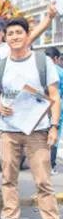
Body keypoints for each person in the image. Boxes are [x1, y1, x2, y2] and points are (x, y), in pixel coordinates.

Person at [0, 17, 63, 219]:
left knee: (43, 181)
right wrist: (0, 107)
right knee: (8, 179)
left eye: (19, 32)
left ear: (26, 35)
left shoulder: (42, 62)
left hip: (37, 131)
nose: (15, 37)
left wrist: (54, 127)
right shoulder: (0, 66)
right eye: (10, 34)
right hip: (8, 132)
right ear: (5, 38)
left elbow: (54, 96)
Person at [44, 46, 63, 175]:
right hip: (58, 106)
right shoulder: (60, 71)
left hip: (41, 105)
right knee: (54, 133)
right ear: (56, 58)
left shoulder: (41, 70)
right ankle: (51, 166)